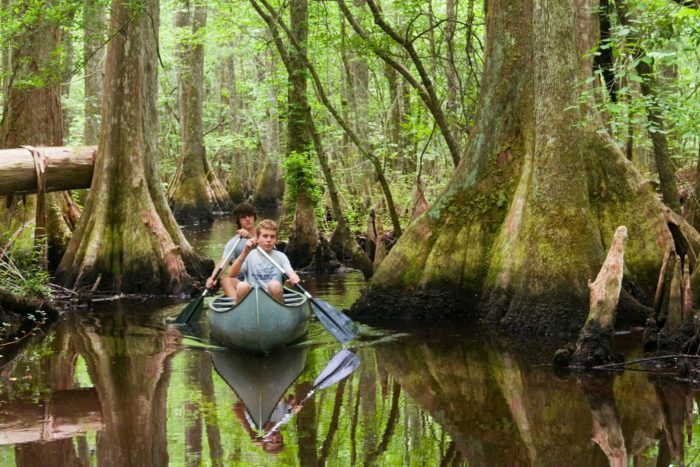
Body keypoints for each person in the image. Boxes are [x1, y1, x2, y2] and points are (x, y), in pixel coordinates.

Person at [224, 219, 300, 303]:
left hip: (273, 298)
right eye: (265, 236)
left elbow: (289, 270)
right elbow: (232, 275)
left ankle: (277, 309)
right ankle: (241, 309)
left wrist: (293, 276)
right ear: (257, 238)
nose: (268, 240)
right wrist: (244, 253)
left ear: (276, 239)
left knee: (274, 285)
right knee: (242, 286)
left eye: (272, 237)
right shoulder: (248, 255)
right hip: (252, 299)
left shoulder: (281, 256)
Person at [206, 202, 257, 290]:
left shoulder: (265, 235)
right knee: (225, 281)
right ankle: (237, 297)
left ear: (254, 217)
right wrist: (213, 278)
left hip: (264, 276)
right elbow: (223, 263)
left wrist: (250, 237)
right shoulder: (233, 243)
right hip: (243, 282)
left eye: (250, 215)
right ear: (238, 220)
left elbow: (270, 250)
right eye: (243, 217)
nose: (248, 219)